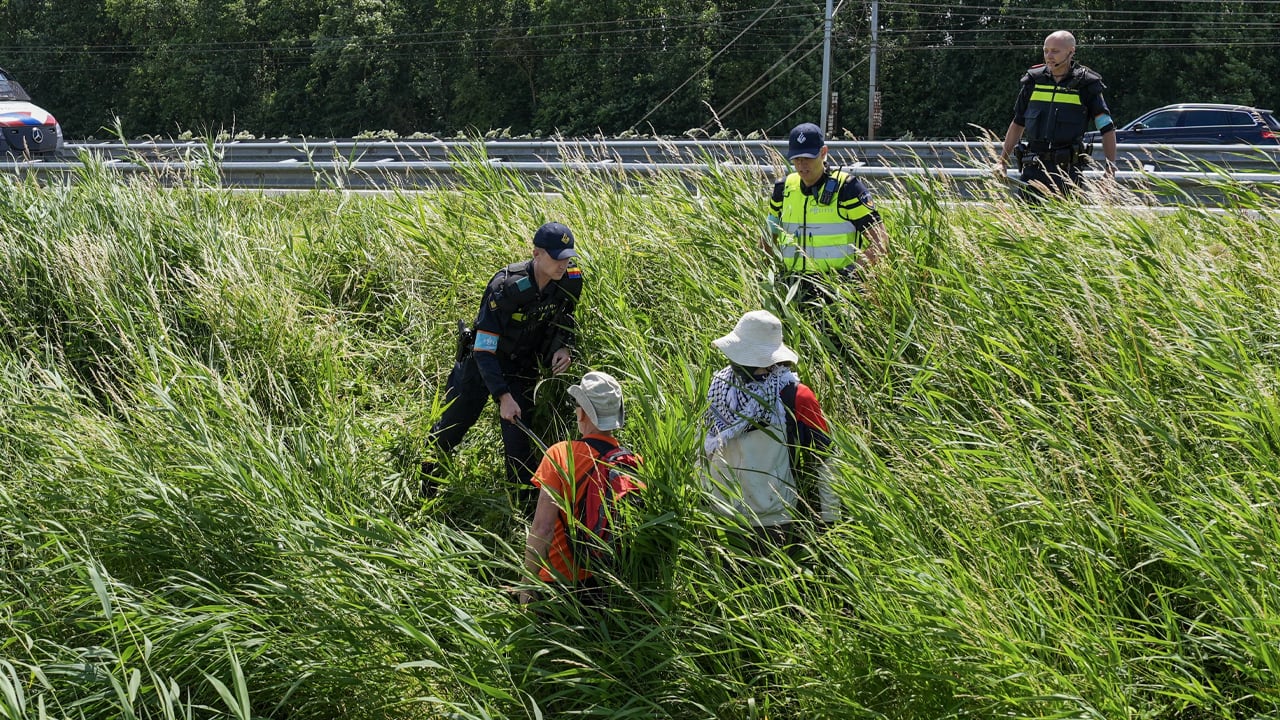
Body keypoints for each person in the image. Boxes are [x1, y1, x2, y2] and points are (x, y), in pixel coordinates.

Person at [420, 221, 583, 514]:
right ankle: (424, 491)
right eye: (557, 256)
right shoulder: (506, 287)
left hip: (521, 366)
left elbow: (566, 319)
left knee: (519, 447)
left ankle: (521, 514)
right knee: (451, 429)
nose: (564, 263)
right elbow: (483, 347)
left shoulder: (570, 279)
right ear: (536, 253)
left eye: (568, 256)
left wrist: (563, 347)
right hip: (482, 367)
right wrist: (502, 396)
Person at [701, 310, 840, 547]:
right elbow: (703, 448)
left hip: (771, 521)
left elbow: (825, 460)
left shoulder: (794, 396)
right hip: (722, 515)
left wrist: (830, 519)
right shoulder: (720, 386)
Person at [519, 371, 641, 606]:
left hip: (557, 586)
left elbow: (542, 528)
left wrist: (527, 589)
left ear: (583, 412)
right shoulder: (631, 462)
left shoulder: (560, 454)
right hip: (606, 585)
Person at [765, 122, 889, 300]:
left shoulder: (847, 189)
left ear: (823, 153)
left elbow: (881, 242)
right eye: (797, 158)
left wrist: (851, 275)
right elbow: (768, 239)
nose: (802, 165)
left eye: (808, 158)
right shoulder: (783, 189)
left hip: (837, 291)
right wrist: (767, 278)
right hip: (791, 289)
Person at [995, 30, 1118, 200]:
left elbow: (1107, 127)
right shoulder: (1033, 81)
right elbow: (1017, 123)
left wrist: (1110, 170)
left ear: (1071, 51)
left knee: (1065, 226)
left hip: (1067, 172)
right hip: (1032, 169)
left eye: (1055, 51)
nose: (1049, 56)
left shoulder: (1086, 84)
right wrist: (1002, 162)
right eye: (1046, 50)